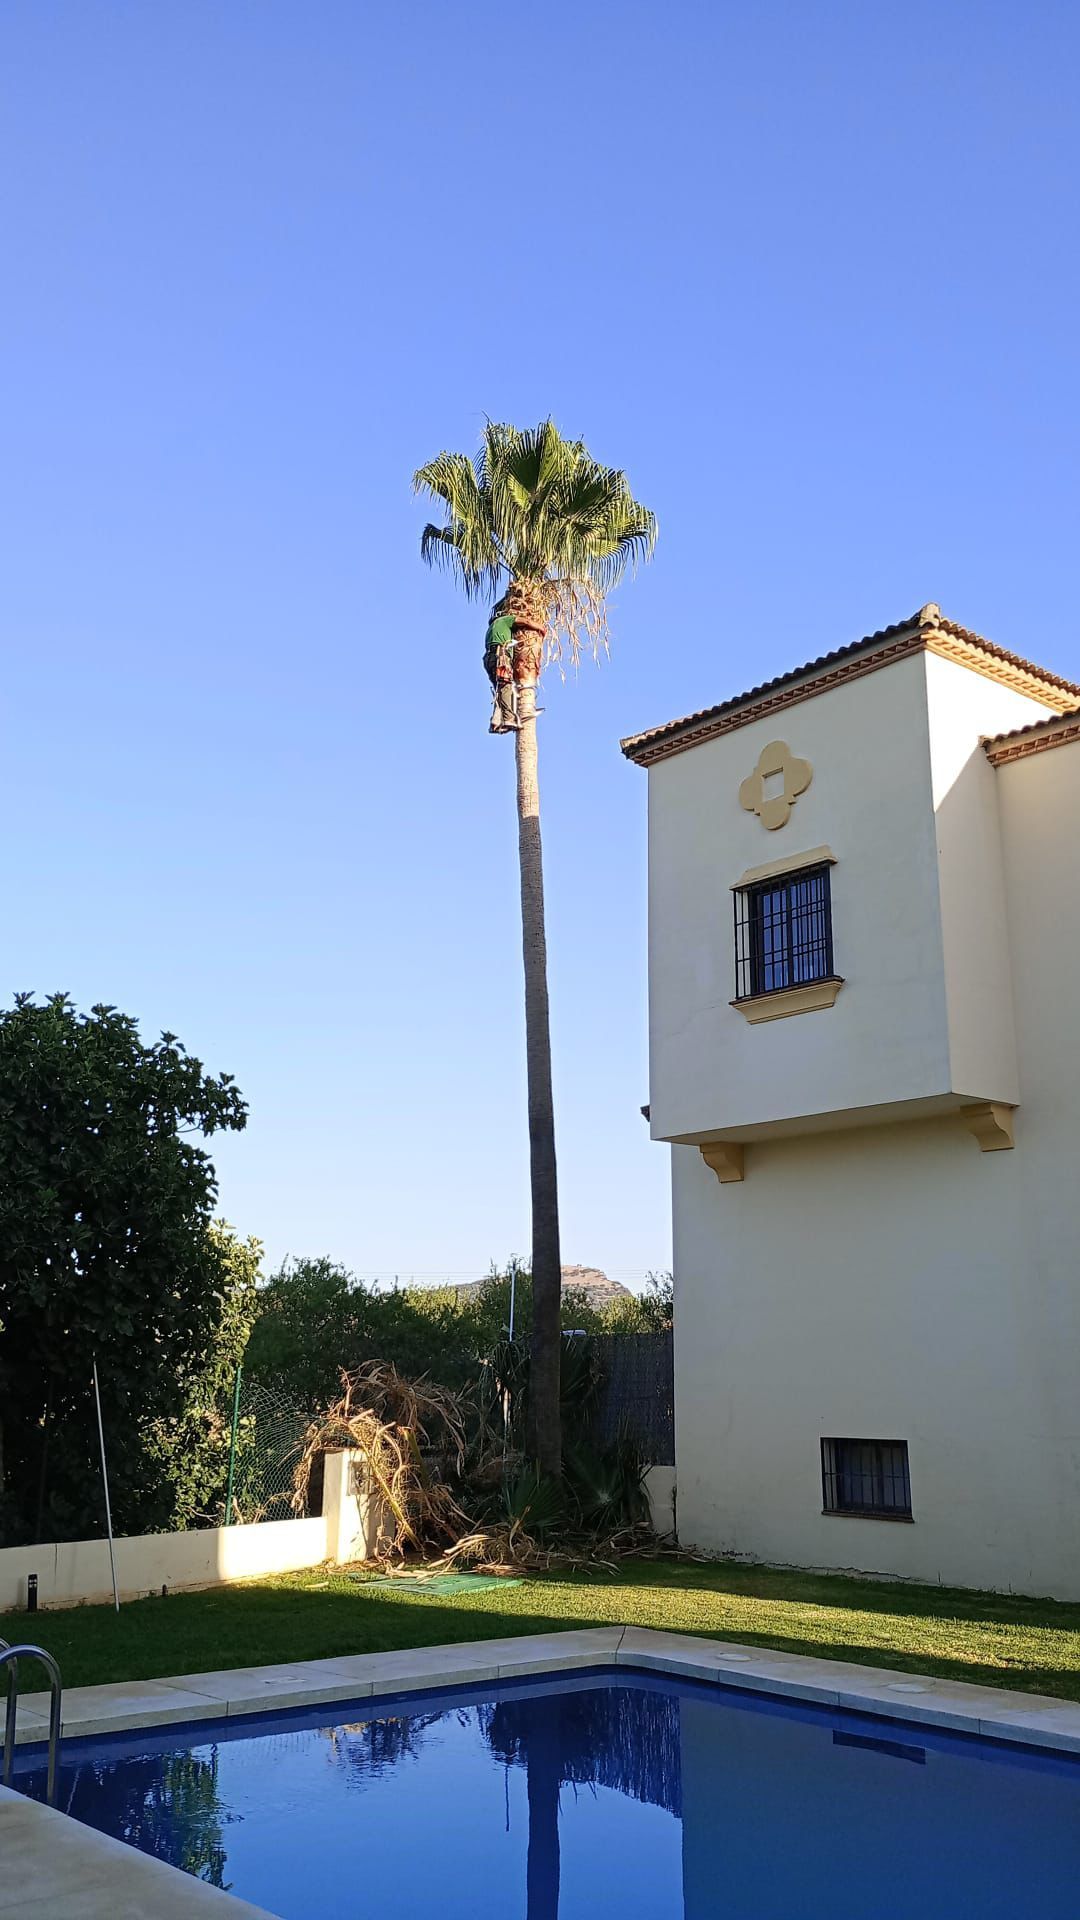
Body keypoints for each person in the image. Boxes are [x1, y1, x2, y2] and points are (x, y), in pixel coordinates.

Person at [483, 610, 519, 734]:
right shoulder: (503, 620)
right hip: (500, 656)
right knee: (505, 686)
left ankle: (496, 721)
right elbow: (522, 621)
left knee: (499, 690)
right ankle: (508, 719)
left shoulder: (490, 629)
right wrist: (539, 628)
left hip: (489, 659)